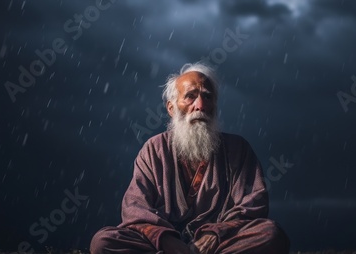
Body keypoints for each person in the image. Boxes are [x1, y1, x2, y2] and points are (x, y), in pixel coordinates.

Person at [90, 62, 290, 253]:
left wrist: (214, 235)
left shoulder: (238, 149)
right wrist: (168, 241)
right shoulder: (153, 149)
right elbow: (135, 207)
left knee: (271, 234)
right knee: (103, 241)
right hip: (163, 245)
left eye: (207, 97)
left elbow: (253, 203)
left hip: (218, 245)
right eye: (190, 97)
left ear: (214, 106)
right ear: (171, 108)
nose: (200, 105)